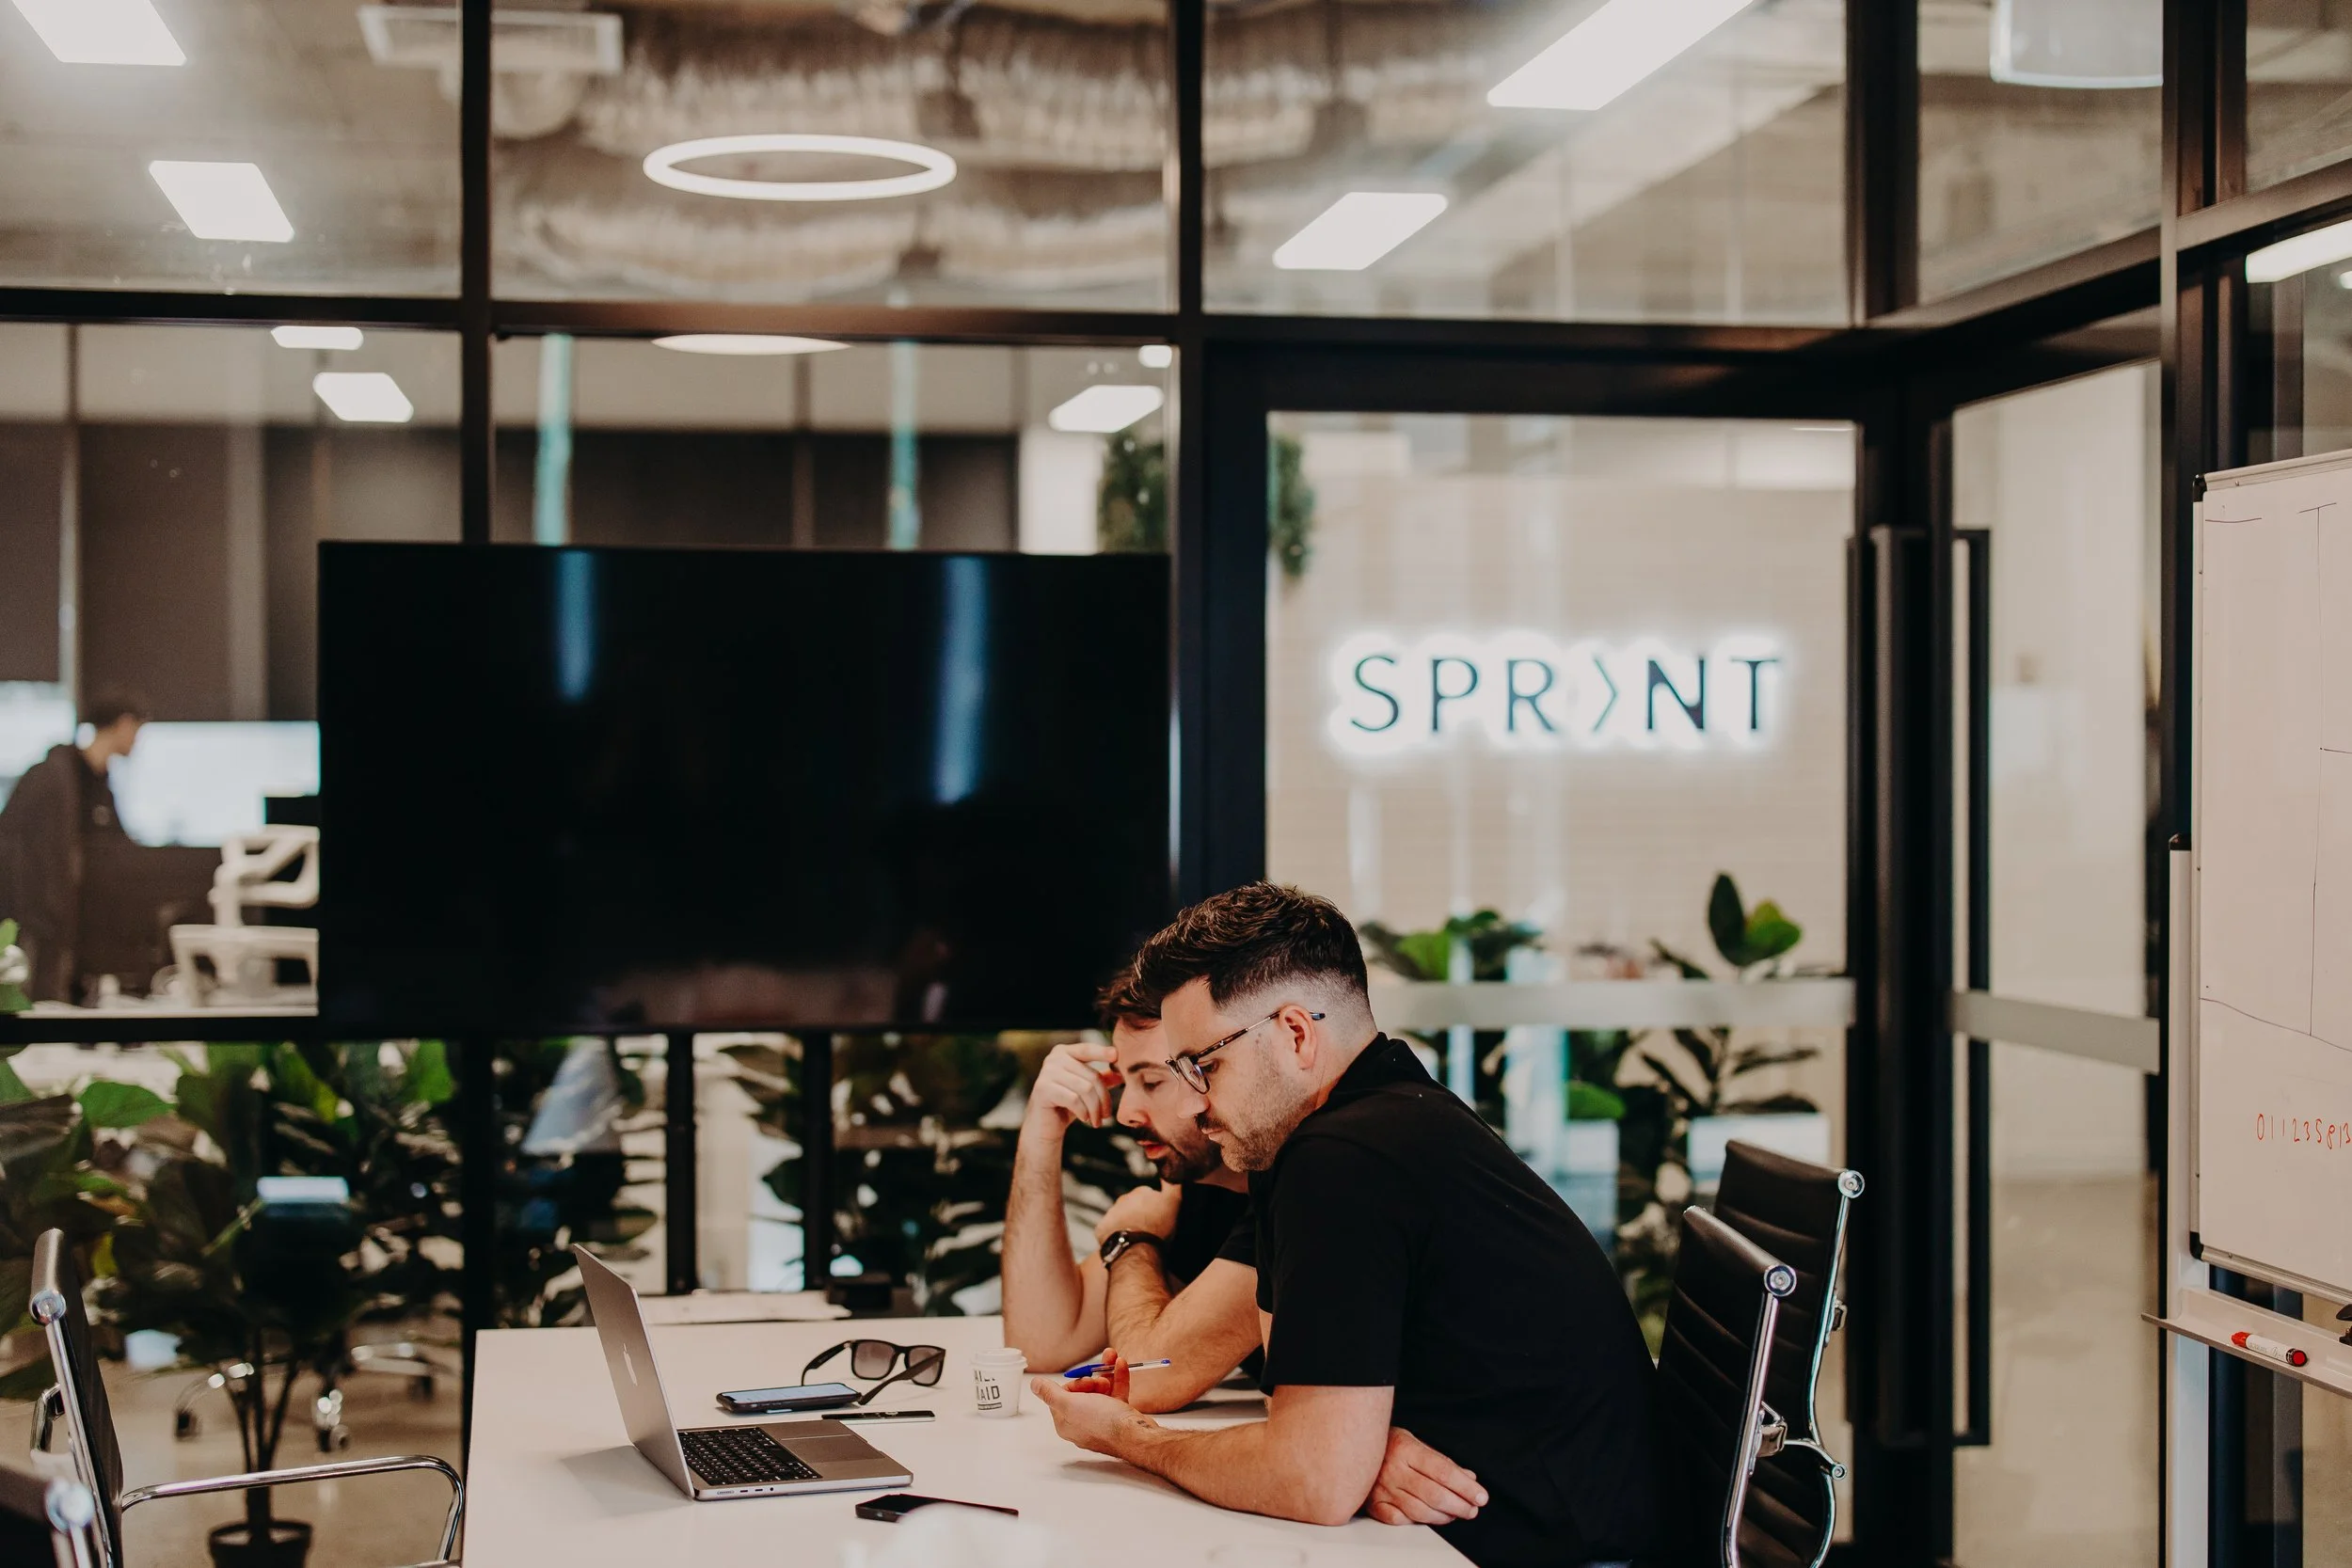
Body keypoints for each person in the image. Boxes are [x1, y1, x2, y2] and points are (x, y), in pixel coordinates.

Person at [1031, 882, 1661, 1568]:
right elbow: (1300, 1413)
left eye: (1204, 1065)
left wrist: (1129, 1437)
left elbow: (1312, 1480)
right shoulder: (1344, 1123)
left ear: (1296, 1033)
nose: (1197, 1102)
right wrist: (1356, 1441)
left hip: (1559, 1547)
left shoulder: (1345, 1157)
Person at [1000, 972, 1263, 1412]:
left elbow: (1147, 1379)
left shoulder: (1292, 1192)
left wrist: (1130, 1242)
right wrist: (1041, 1136)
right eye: (1124, 1082)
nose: (1125, 1113)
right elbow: (1040, 1341)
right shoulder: (1197, 1191)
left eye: (1153, 1082)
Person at [0, 693, 146, 1004]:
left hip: (80, 927)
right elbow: (14, 844)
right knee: (35, 1007)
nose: (137, 740)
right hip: (41, 924)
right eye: (137, 729)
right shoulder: (51, 778)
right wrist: (33, 910)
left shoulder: (99, 784)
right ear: (123, 724)